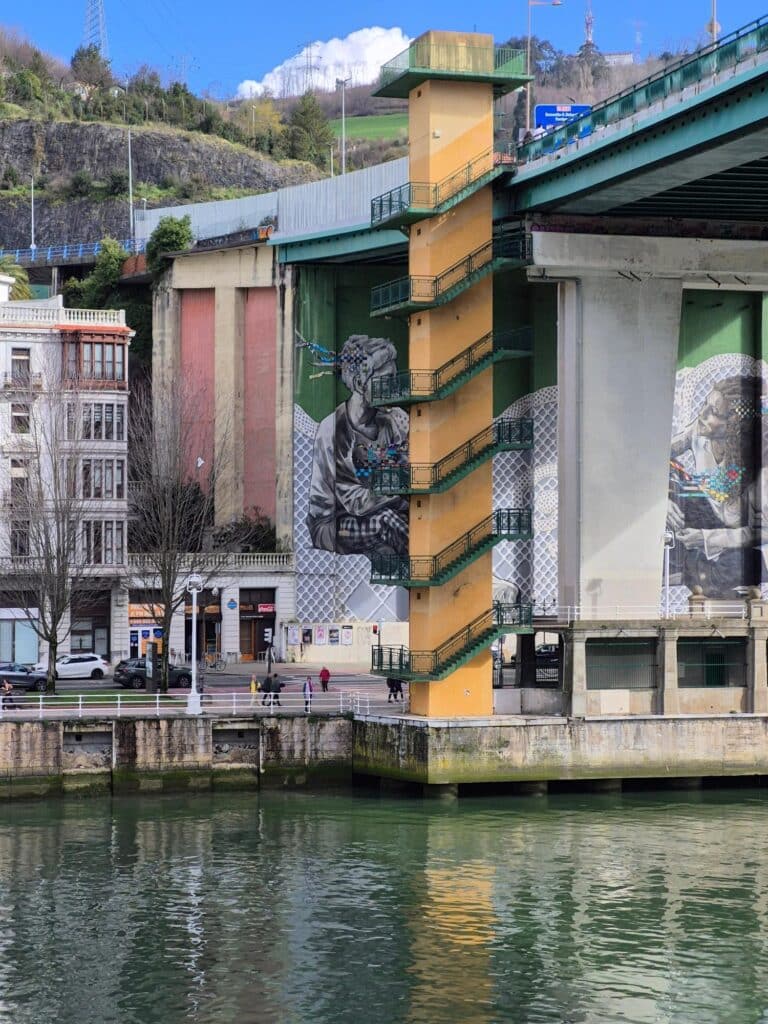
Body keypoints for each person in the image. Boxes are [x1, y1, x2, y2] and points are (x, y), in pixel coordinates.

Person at [307, 334, 409, 558]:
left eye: (394, 378)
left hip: (381, 508)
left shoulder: (396, 420)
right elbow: (355, 501)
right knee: (387, 521)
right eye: (385, 379)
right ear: (361, 382)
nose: (392, 386)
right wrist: (401, 494)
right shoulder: (334, 429)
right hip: (333, 523)